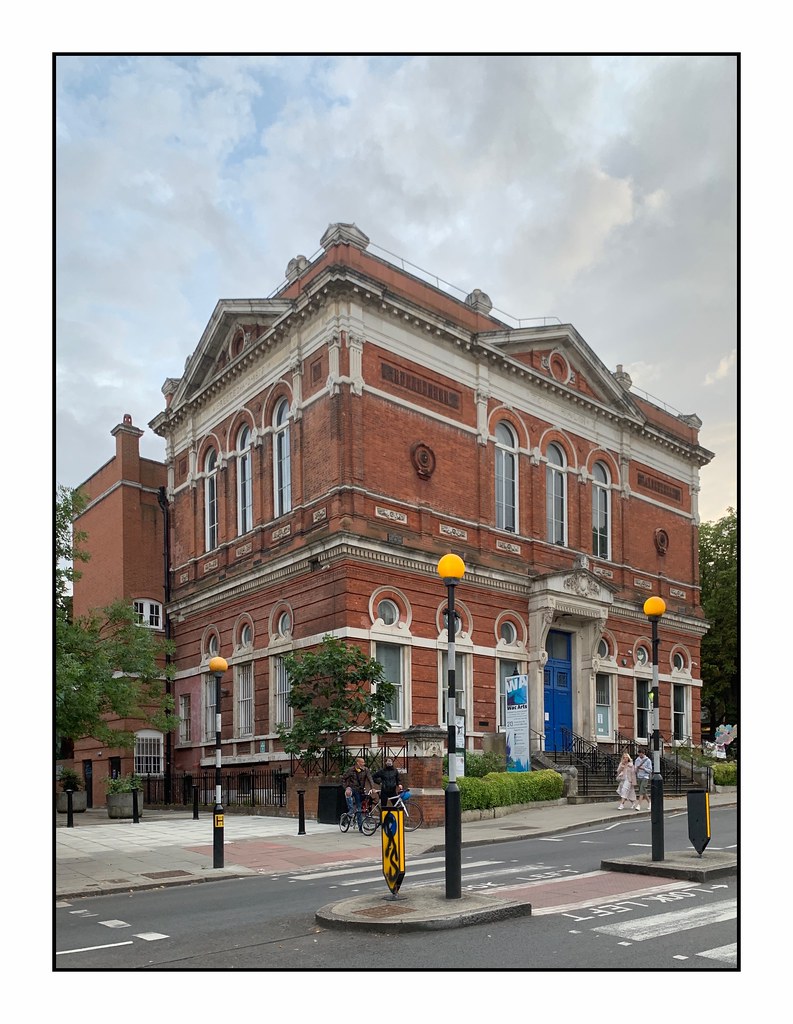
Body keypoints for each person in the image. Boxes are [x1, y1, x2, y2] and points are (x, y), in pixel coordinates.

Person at [342, 756, 375, 832]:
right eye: (362, 762)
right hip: (352, 788)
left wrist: (372, 787)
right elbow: (343, 778)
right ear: (358, 763)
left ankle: (360, 827)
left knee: (359, 809)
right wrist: (346, 787)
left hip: (359, 791)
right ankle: (350, 810)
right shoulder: (351, 770)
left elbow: (370, 779)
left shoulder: (365, 770)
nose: (364, 763)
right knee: (348, 793)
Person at [634, 747, 653, 812]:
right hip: (639, 776)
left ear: (644, 753)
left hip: (645, 777)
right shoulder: (637, 760)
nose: (640, 756)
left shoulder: (648, 760)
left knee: (641, 790)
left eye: (641, 754)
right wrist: (636, 769)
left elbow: (650, 770)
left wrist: (643, 768)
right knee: (643, 791)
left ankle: (639, 805)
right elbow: (635, 768)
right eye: (639, 754)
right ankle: (650, 802)